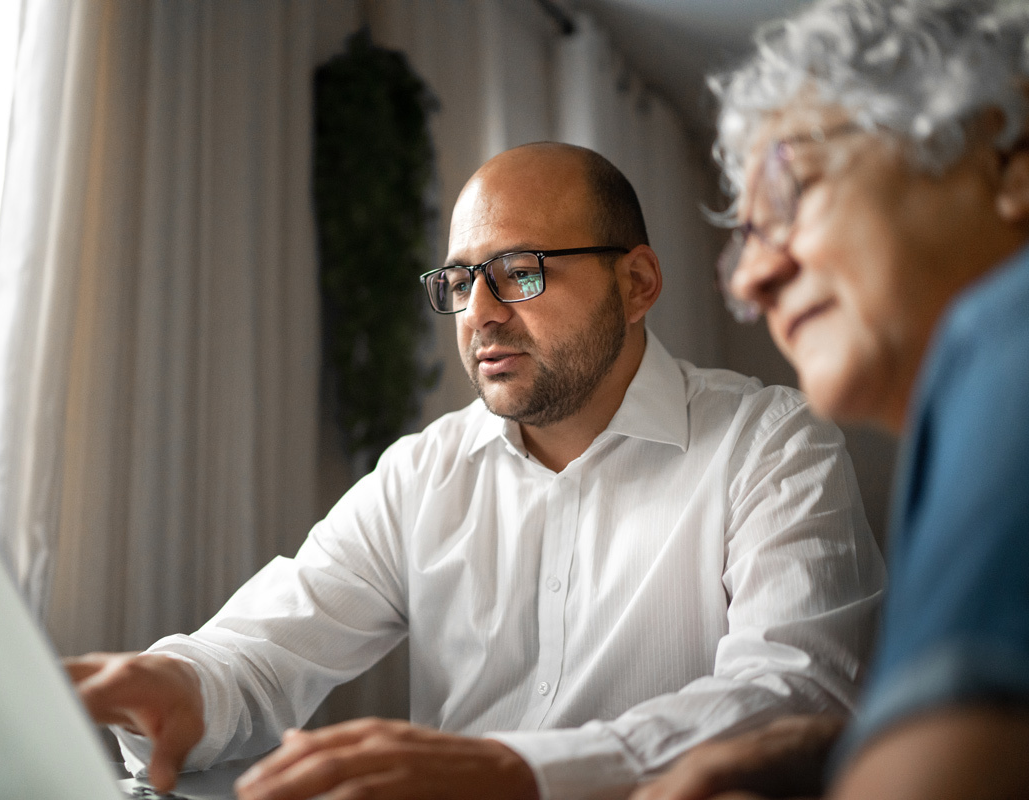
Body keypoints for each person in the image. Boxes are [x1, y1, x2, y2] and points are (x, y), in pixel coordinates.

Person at [66, 142, 884, 800]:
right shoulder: (423, 473)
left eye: (520, 271)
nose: (481, 314)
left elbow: (795, 696)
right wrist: (180, 685)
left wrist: (519, 772)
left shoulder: (771, 444)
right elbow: (265, 652)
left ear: (636, 284)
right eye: (460, 281)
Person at [631, 2, 1029, 799]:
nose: (752, 279)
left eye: (793, 192)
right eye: (744, 243)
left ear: (1009, 165)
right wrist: (851, 749)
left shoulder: (1005, 334)